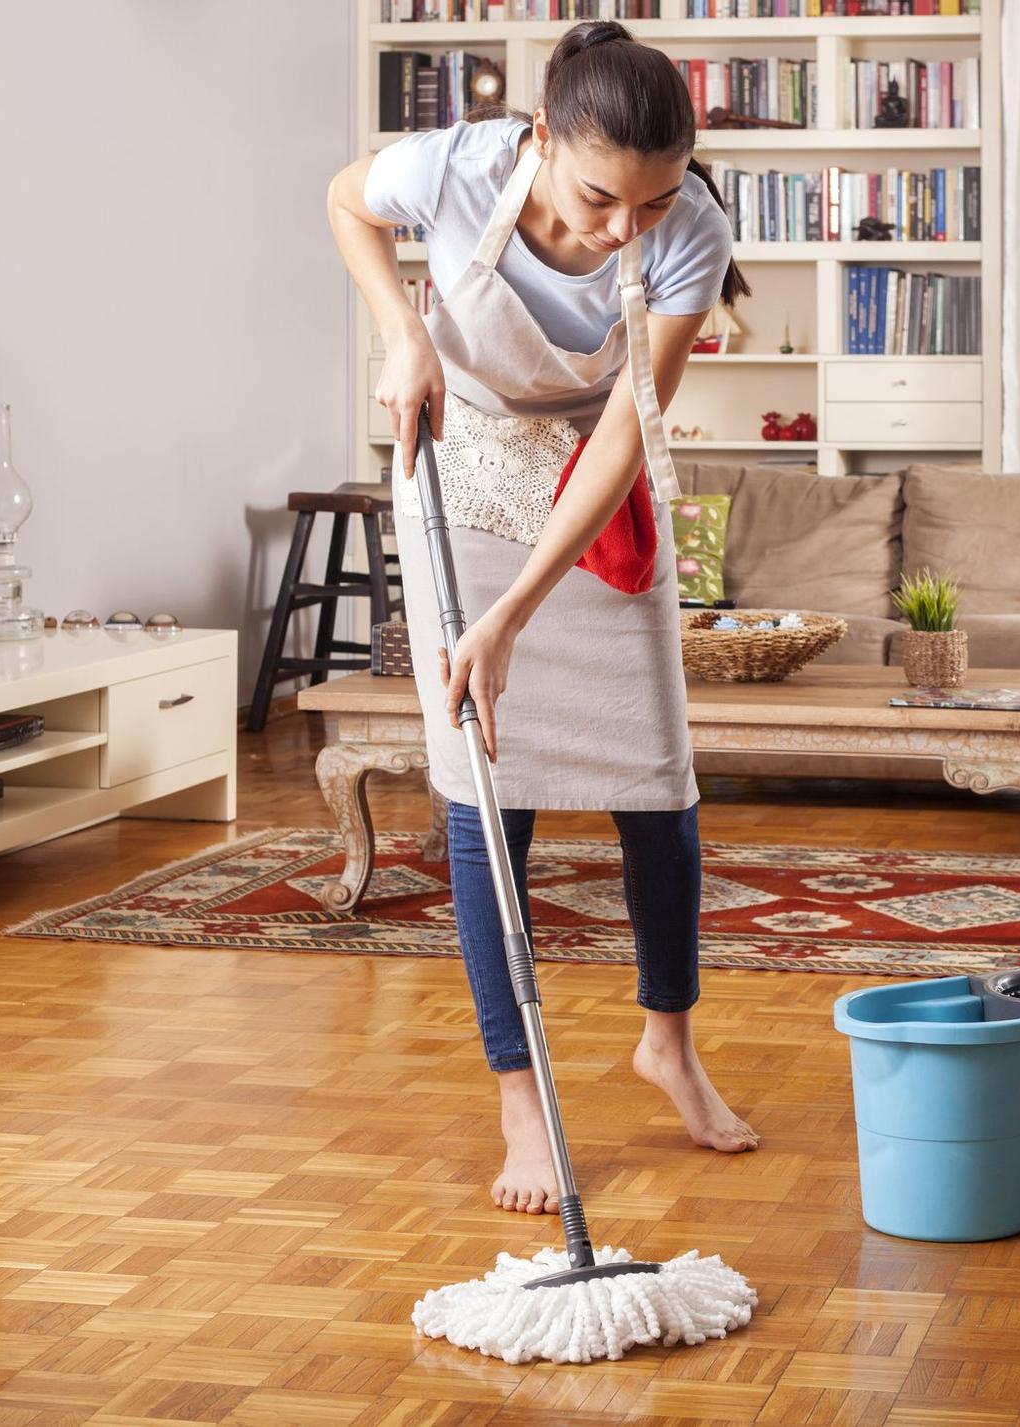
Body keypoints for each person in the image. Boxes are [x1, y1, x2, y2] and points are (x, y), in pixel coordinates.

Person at [326, 19, 759, 1215]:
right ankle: (520, 1099)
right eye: (599, 196)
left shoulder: (691, 235)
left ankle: (666, 1040)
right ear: (538, 141)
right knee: (482, 781)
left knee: (656, 777)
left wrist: (514, 611)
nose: (626, 227)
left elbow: (628, 427)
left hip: (591, 480)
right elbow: (343, 201)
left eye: (655, 201)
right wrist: (400, 330)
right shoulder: (455, 167)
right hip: (457, 457)